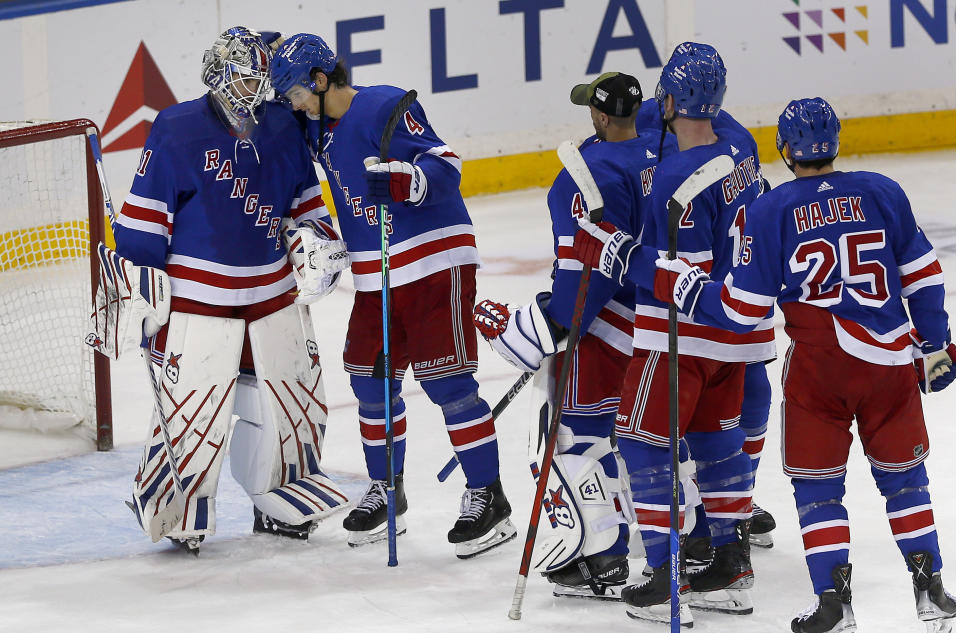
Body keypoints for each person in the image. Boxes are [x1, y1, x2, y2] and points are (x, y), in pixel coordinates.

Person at [639, 97, 956, 633]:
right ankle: (932, 593)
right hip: (889, 363)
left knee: (818, 488)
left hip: (819, 368)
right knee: (906, 480)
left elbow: (742, 312)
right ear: (837, 140)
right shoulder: (883, 190)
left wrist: (679, 284)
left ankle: (834, 604)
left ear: (784, 150)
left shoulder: (772, 208)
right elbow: (923, 276)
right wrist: (937, 345)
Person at [96, 27, 350, 552]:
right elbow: (145, 224)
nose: (252, 91)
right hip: (198, 302)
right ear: (217, 75)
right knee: (197, 409)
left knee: (291, 403)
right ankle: (177, 500)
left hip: (273, 297)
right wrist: (136, 288)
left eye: (260, 80)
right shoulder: (177, 127)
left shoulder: (282, 125)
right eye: (242, 78)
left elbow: (305, 202)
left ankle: (283, 492)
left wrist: (317, 241)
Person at [268, 33, 515, 558]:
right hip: (376, 274)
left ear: (319, 79)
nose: (292, 104)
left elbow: (446, 164)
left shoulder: (385, 105)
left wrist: (407, 179)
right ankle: (388, 490)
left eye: (295, 93)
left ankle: (489, 497)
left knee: (448, 383)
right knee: (369, 379)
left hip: (432, 259)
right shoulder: (314, 129)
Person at [572, 42, 770, 625]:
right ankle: (731, 566)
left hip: (680, 337)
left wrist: (612, 250)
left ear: (669, 99)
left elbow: (678, 278)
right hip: (737, 338)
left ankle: (665, 575)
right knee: (715, 443)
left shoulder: (679, 183)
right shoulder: (740, 143)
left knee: (641, 442)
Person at [473, 72, 672, 599]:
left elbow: (584, 285)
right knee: (642, 433)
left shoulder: (588, 177)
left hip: (607, 326)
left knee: (576, 435)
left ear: (602, 116)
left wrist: (528, 331)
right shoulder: (662, 150)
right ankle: (679, 542)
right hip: (659, 316)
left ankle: (603, 557)